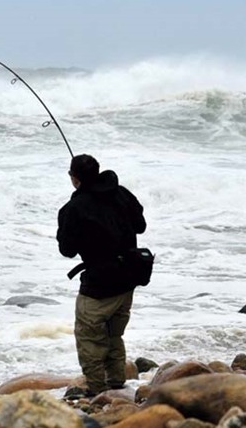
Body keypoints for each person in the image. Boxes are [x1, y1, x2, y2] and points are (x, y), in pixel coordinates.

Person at [57, 154, 147, 398]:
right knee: (113, 333)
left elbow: (67, 249)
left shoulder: (74, 208)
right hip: (128, 277)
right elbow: (141, 225)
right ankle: (117, 382)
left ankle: (98, 393)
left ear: (74, 178)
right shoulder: (121, 193)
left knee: (90, 338)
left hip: (99, 284)